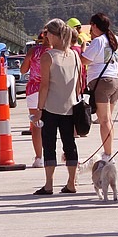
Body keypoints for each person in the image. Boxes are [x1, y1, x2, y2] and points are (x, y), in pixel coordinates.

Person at [32, 19, 82, 195]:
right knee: (70, 145)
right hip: (71, 106)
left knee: (49, 145)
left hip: (51, 107)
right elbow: (78, 83)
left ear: (52, 35)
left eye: (47, 34)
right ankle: (71, 182)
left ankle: (48, 184)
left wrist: (38, 110)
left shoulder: (48, 56)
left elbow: (44, 85)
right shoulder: (75, 55)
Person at [81, 13, 118, 161]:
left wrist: (82, 50)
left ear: (94, 25)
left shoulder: (98, 41)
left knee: (103, 120)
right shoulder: (116, 40)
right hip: (115, 81)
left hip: (101, 82)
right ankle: (109, 150)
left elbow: (84, 60)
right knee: (109, 120)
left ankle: (108, 153)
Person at [21, 31, 50, 168]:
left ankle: (39, 157)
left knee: (36, 125)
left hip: (33, 90)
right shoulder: (56, 51)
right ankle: (51, 156)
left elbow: (23, 70)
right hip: (51, 89)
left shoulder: (33, 51)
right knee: (52, 124)